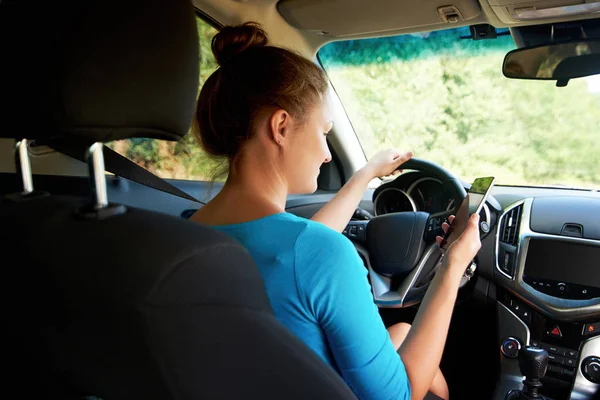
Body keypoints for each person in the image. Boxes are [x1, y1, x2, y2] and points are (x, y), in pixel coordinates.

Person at [191, 22, 481, 400]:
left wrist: (365, 174)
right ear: (280, 127)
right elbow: (400, 395)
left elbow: (298, 249)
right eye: (323, 132)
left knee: (402, 333)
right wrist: (451, 267)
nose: (327, 153)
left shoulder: (183, 235)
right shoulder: (322, 256)